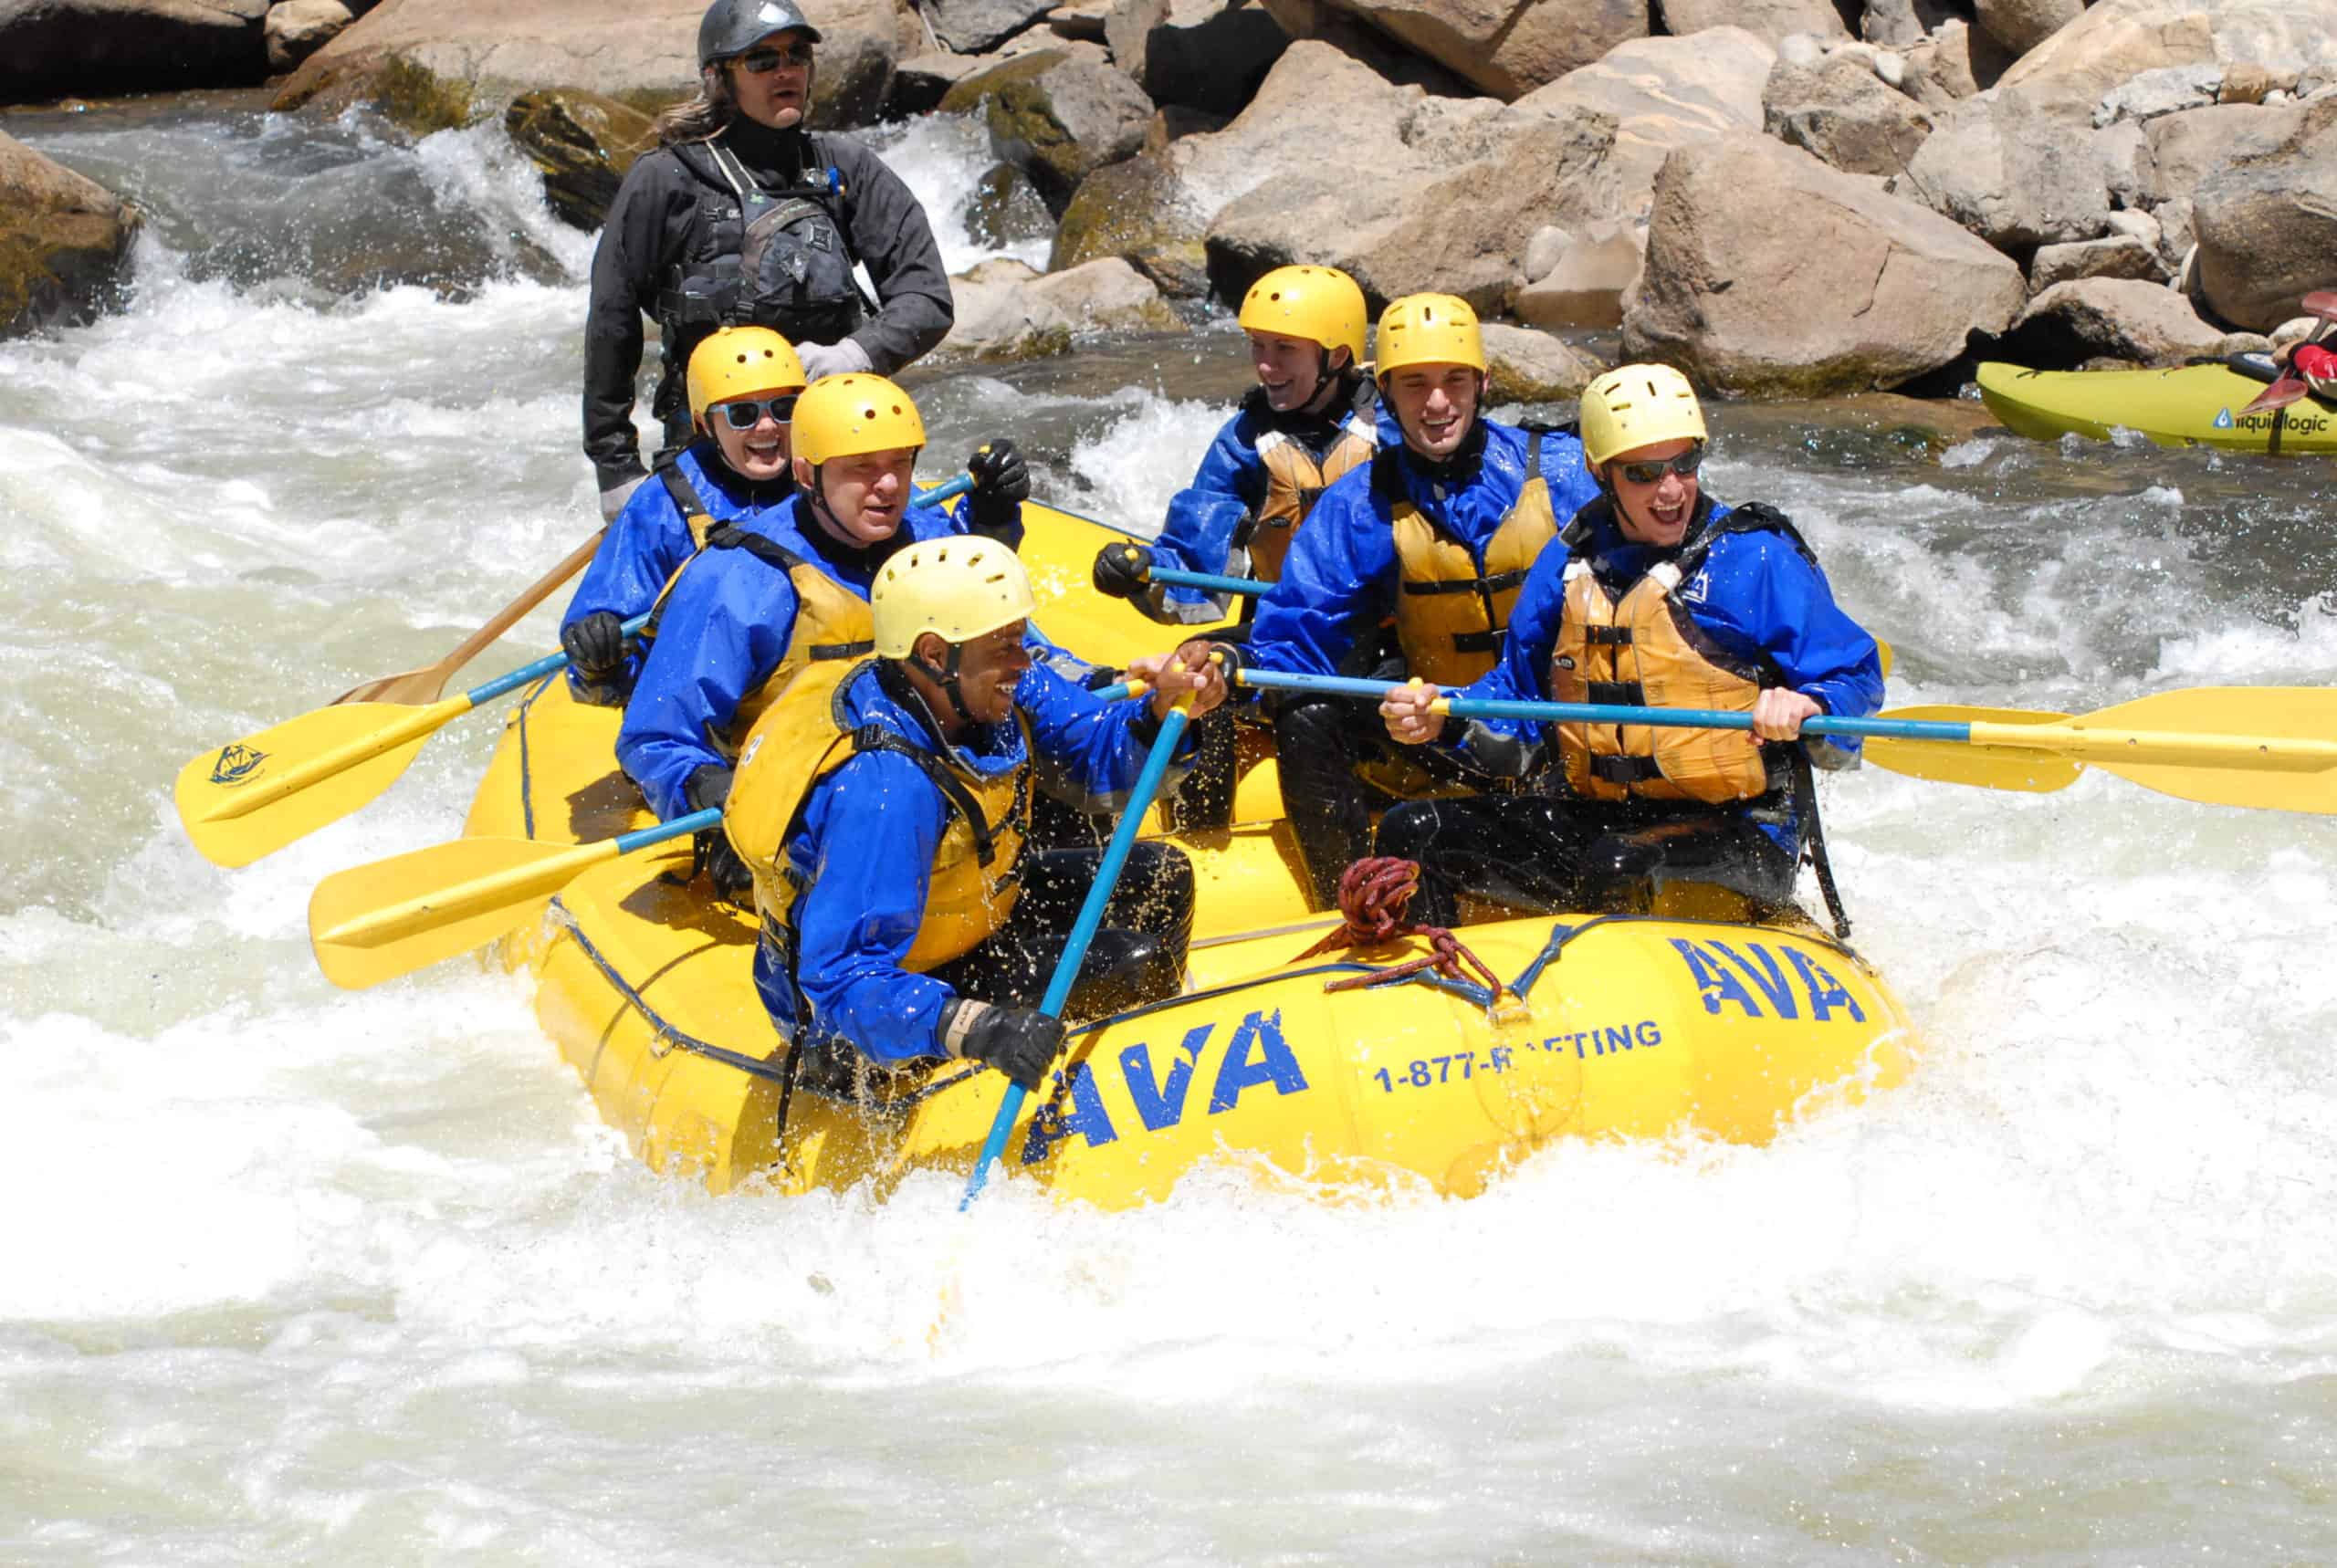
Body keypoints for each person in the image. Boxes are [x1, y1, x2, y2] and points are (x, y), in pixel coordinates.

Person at [1373, 363, 1883, 925]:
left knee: (1619, 862)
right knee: (1411, 828)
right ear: (1599, 471)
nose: (1670, 491)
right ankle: (1435, 980)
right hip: (1599, 816)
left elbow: (1856, 677)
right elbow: (1516, 698)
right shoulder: (1568, 563)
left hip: (1739, 829)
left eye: (1684, 464)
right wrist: (1446, 715)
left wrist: (1810, 703)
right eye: (1643, 473)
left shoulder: (1754, 558)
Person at [723, 536, 1228, 1092]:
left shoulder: (982, 683)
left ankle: (1115, 1065)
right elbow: (844, 981)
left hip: (962, 923)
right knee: (1136, 961)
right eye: (1004, 645)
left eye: (1018, 639)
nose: (1020, 661)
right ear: (935, 653)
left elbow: (1100, 757)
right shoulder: (883, 787)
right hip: (870, 1010)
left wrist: (1160, 712)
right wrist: (978, 1028)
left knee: (1164, 875)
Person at [1183, 292, 1601, 907]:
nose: (1437, 404)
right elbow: (1302, 635)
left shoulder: (1564, 472)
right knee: (1306, 713)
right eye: (1414, 385)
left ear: (1483, 382)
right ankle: (1354, 906)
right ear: (1387, 393)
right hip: (1436, 724)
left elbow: (1678, 545)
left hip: (1559, 729)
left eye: (1454, 381)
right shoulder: (1360, 503)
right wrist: (1234, 669)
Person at [614, 372, 1030, 898]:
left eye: (900, 464)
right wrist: (707, 790)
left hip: (928, 788)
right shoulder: (739, 579)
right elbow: (655, 737)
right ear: (809, 473)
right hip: (802, 813)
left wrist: (993, 528)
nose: (888, 485)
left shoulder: (931, 538)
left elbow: (1012, 653)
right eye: (862, 468)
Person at [582, 0, 955, 523]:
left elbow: (927, 299)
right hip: (712, 460)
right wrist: (616, 466)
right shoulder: (666, 179)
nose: (785, 72)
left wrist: (855, 352)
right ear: (718, 78)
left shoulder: (845, 168)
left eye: (796, 55)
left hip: (836, 454)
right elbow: (611, 319)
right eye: (761, 60)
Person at [1090, 264, 1379, 627]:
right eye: (1258, 345)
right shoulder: (1245, 441)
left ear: (1336, 357)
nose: (1266, 366)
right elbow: (1194, 553)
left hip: (1387, 632)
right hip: (1289, 630)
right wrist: (1145, 571)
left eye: (1285, 349)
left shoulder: (1391, 423)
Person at [560, 325, 807, 706]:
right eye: (742, 413)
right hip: (718, 709)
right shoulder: (662, 505)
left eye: (783, 408)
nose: (767, 426)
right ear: (705, 424)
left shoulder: (833, 471)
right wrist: (598, 660)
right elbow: (604, 673)